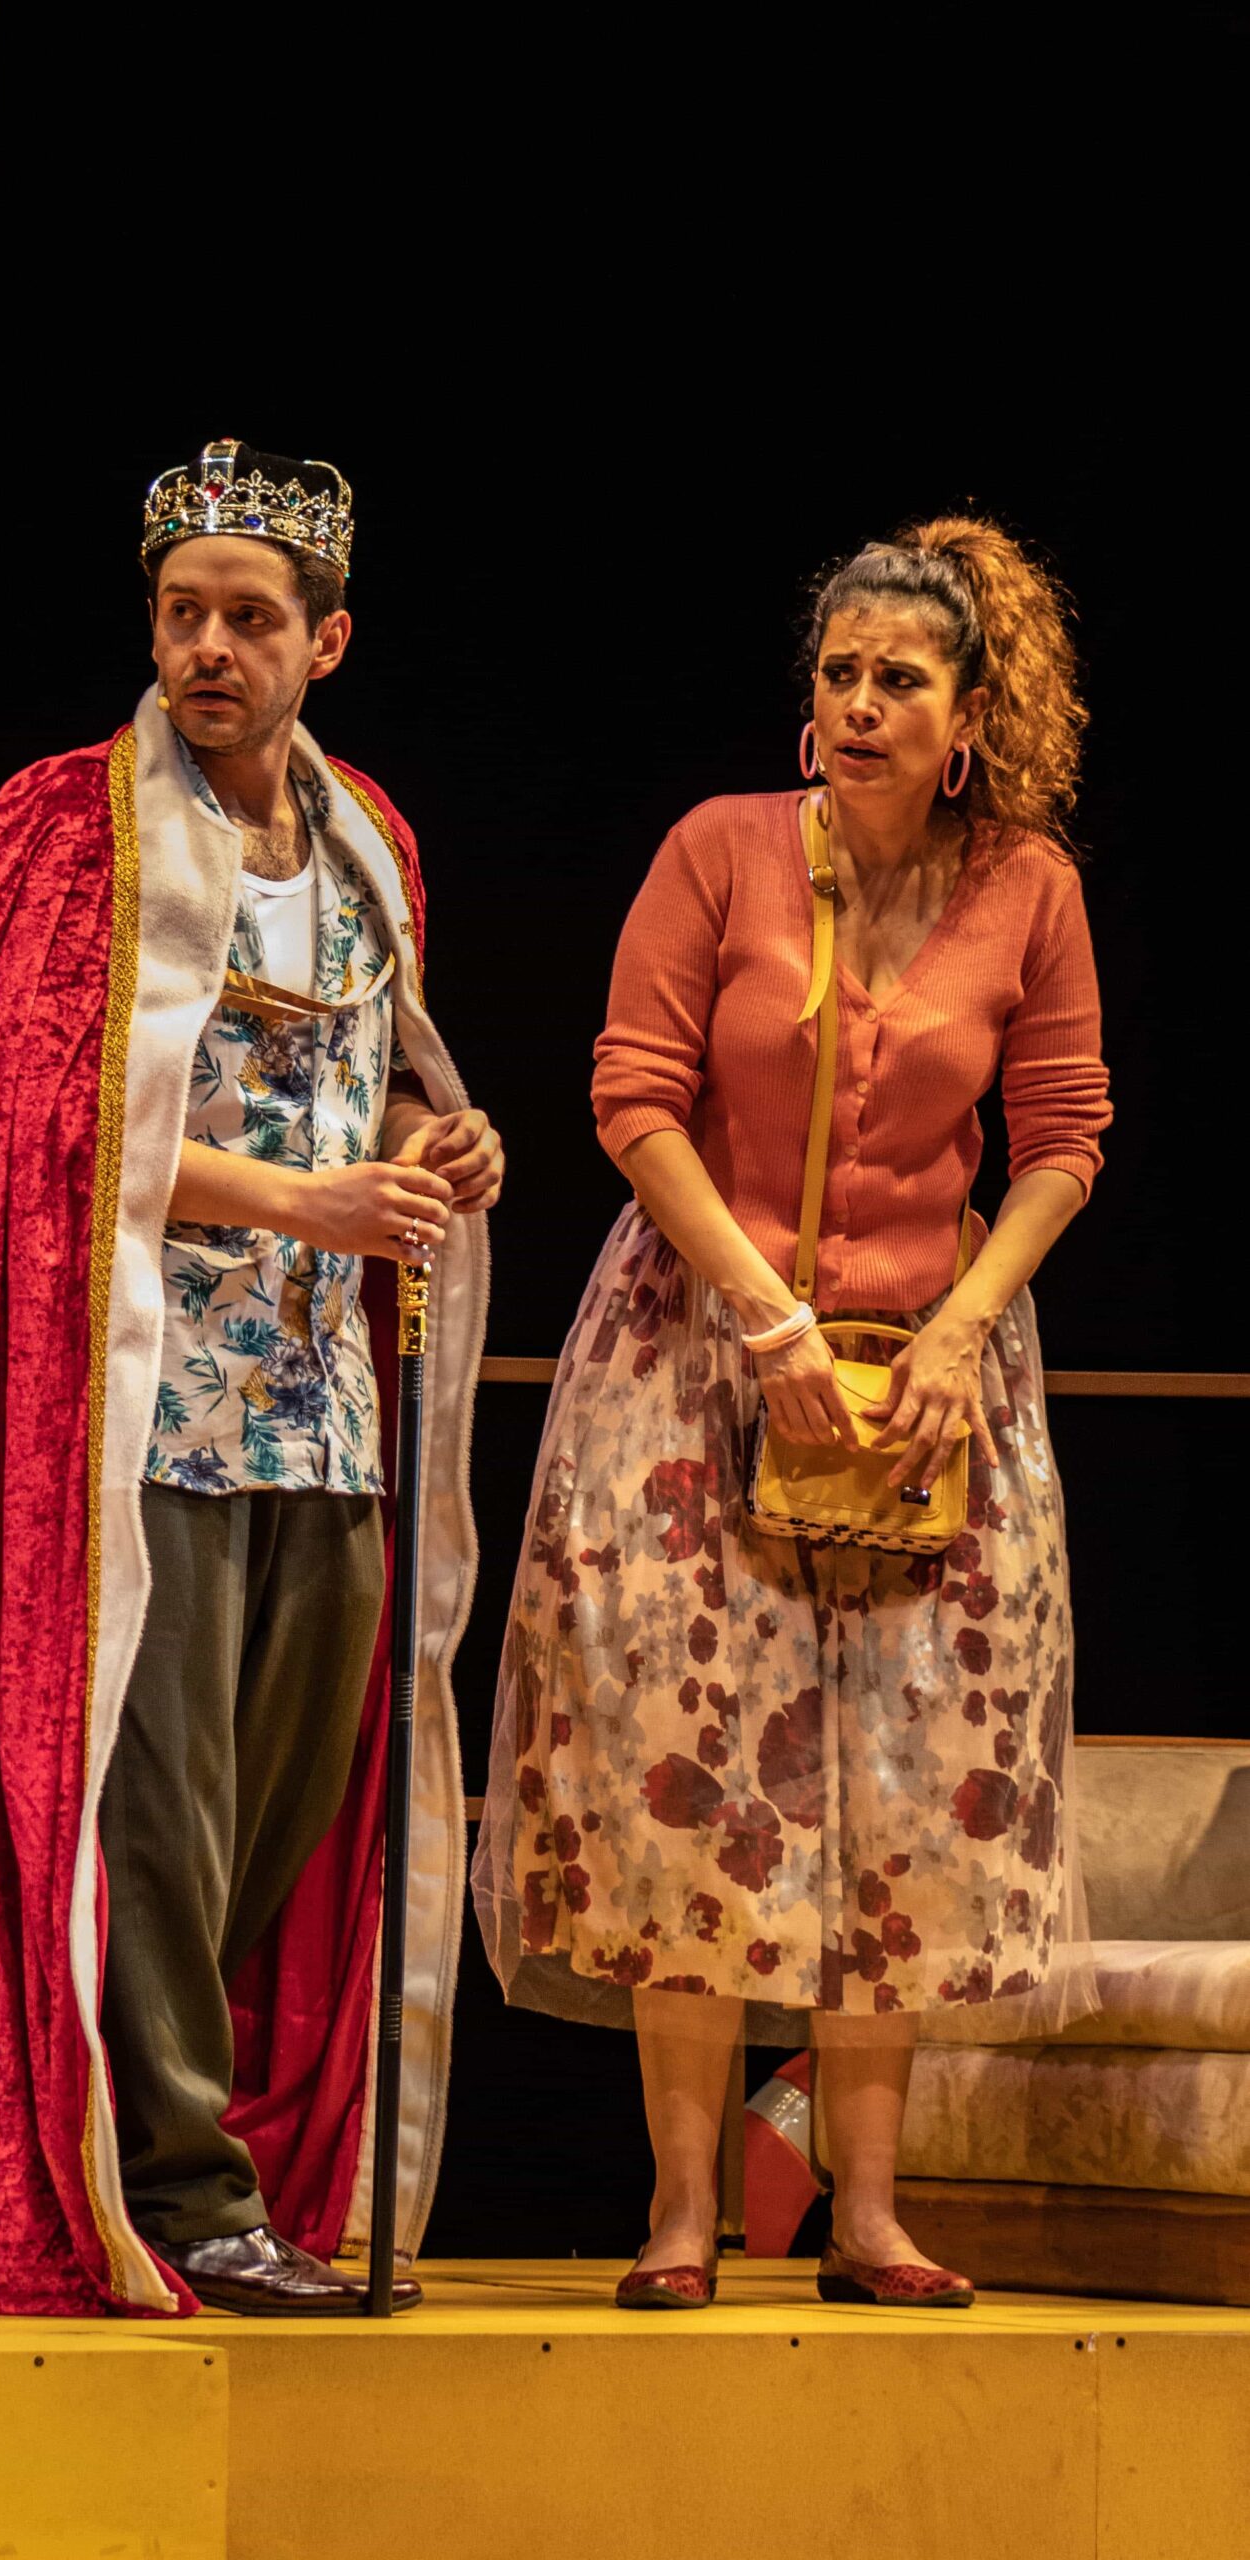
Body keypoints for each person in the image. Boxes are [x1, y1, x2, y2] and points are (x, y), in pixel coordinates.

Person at [474, 516, 1110, 2310]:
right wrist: (759, 1317)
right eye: (838, 674)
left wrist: (962, 1333)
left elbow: (1063, 1134)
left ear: (968, 715)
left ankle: (866, 2214)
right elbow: (631, 1093)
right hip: (695, 1357)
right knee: (687, 1774)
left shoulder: (1026, 887)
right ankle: (680, 2212)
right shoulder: (722, 850)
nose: (859, 704)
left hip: (924, 1372)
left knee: (900, 1784)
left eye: (899, 679)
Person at [0, 438, 500, 2318]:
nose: (206, 649)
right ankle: (184, 2187)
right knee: (162, 1805)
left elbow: (377, 1078)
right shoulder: (67, 825)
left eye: (248, 619)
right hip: (154, 1403)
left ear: (323, 641)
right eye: (181, 614)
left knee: (286, 1808)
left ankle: (204, 2129)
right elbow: (42, 1127)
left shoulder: (366, 839)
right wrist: (304, 1199)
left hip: (322, 1403)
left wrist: (438, 1141)